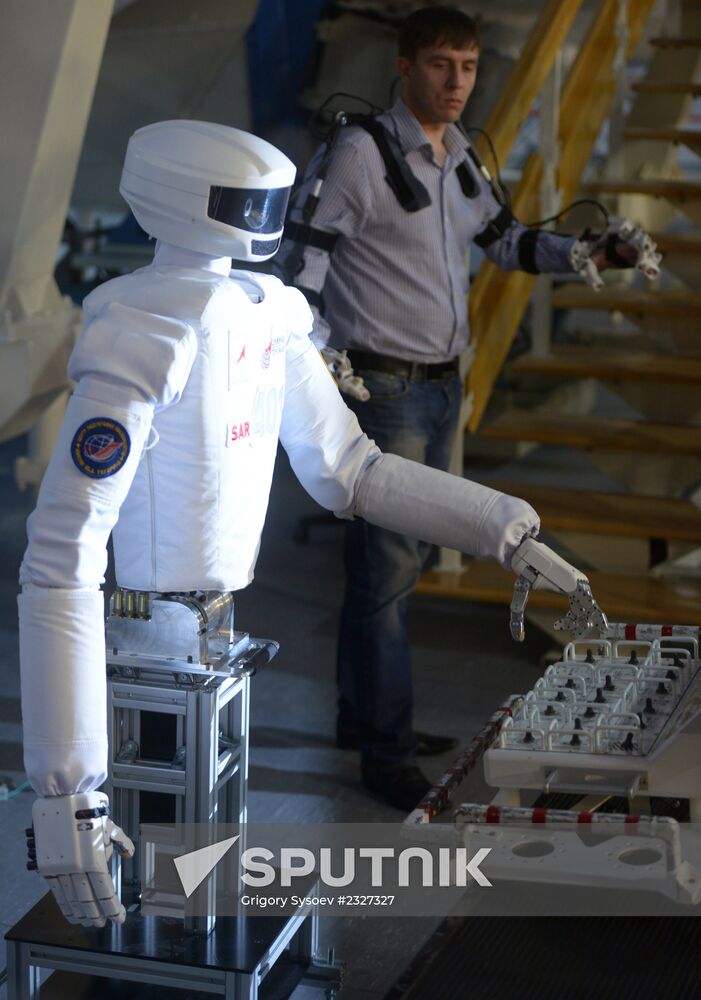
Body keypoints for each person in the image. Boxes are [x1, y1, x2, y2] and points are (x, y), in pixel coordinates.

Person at [18, 117, 598, 928]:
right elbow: (61, 555)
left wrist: (503, 528)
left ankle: (189, 930)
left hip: (213, 628)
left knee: (201, 853)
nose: (264, 217)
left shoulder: (267, 311)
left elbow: (348, 471)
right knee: (160, 853)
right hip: (146, 634)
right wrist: (68, 795)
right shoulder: (145, 332)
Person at [276, 4, 657, 811]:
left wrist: (589, 252)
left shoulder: (457, 160)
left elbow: (507, 241)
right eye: (442, 65)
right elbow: (301, 265)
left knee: (386, 575)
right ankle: (384, 754)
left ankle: (362, 719)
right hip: (381, 391)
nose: (457, 83)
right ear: (405, 67)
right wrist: (307, 364)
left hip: (440, 385)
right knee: (386, 577)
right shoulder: (358, 155)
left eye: (469, 67)